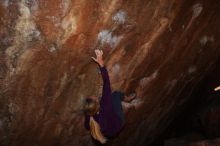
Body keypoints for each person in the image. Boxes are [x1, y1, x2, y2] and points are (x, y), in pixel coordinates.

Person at [83, 50, 135, 144]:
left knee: (110, 106)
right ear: (98, 105)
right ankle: (127, 99)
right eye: (95, 98)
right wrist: (101, 64)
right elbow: (106, 82)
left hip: (108, 134)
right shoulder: (106, 104)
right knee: (115, 95)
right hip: (119, 123)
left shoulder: (89, 117)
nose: (95, 96)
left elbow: (87, 126)